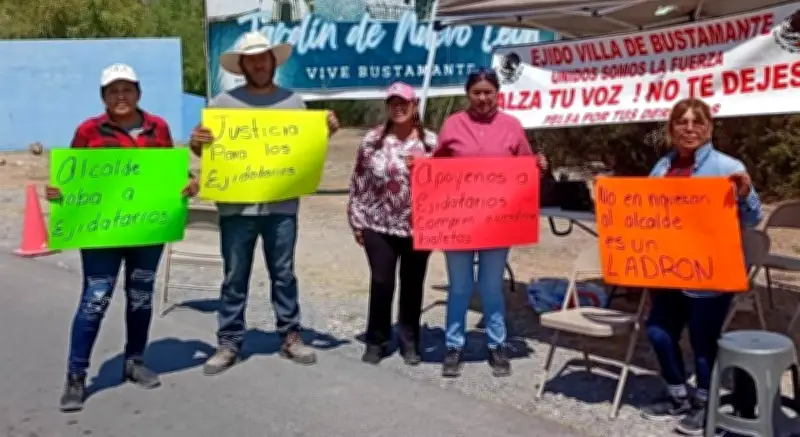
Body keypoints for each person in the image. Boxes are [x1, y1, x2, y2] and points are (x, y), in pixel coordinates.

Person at [48, 63, 198, 412]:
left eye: (127, 89)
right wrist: (57, 191)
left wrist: (190, 183)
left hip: (147, 230)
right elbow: (72, 178)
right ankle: (76, 375)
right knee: (95, 299)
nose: (121, 96)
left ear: (138, 93)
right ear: (103, 97)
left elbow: (172, 172)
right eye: (113, 90)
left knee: (140, 296)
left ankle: (135, 360)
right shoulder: (88, 130)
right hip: (102, 234)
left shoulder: (157, 128)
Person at [190, 32, 339, 375]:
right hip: (236, 208)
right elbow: (204, 152)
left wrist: (323, 131)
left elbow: (304, 150)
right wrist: (198, 143)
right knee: (234, 276)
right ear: (242, 65)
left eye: (264, 57)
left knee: (284, 274)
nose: (258, 63)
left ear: (274, 61)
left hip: (281, 207)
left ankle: (290, 335)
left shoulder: (294, 103)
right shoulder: (221, 105)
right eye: (251, 59)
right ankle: (229, 342)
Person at [640, 98, 762, 436]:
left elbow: (754, 218)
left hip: (709, 271)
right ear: (672, 128)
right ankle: (679, 395)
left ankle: (708, 406)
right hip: (666, 268)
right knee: (658, 332)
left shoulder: (727, 167)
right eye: (682, 122)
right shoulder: (662, 167)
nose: (689, 128)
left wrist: (745, 194)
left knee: (703, 341)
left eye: (697, 122)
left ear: (709, 128)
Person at [432, 68, 547, 378]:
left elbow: (526, 169)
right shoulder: (452, 125)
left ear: (498, 94)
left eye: (488, 92)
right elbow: (435, 169)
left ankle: (497, 345)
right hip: (459, 220)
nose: (482, 98)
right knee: (459, 287)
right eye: (476, 92)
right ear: (467, 94)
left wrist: (538, 165)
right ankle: (453, 346)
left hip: (497, 222)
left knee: (491, 286)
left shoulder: (512, 126)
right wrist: (420, 166)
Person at [347, 82, 437, 365]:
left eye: (404, 102)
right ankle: (377, 339)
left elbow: (448, 182)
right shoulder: (372, 140)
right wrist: (357, 221)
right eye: (393, 102)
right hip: (379, 224)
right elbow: (358, 180)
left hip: (419, 226)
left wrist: (426, 165)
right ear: (387, 107)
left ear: (414, 106)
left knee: (413, 284)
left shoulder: (432, 143)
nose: (398, 107)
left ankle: (410, 340)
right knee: (382, 281)